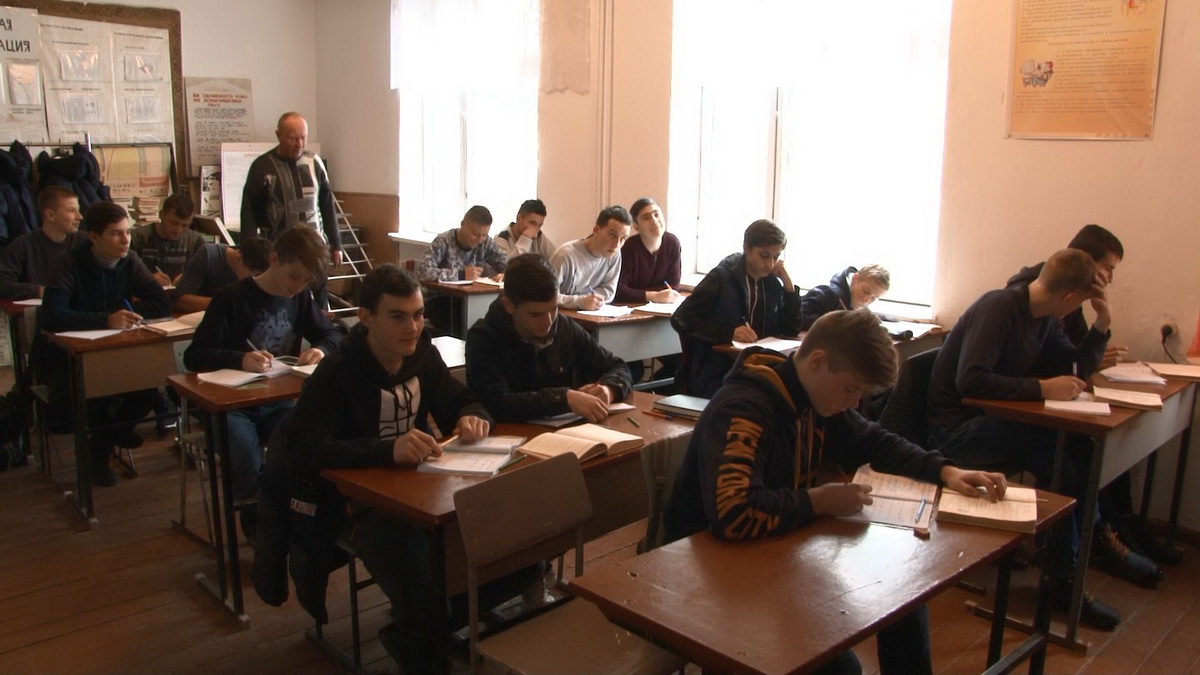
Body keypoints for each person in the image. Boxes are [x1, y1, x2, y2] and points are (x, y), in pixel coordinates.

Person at [663, 309, 1007, 675]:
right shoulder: (744, 409)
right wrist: (819, 501)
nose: (855, 402)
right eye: (851, 388)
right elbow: (733, 513)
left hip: (776, 548)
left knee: (906, 606)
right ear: (818, 361)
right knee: (840, 670)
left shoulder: (813, 395)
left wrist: (946, 470)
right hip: (708, 567)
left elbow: (875, 441)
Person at [272, 264, 543, 674]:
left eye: (418, 315)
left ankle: (421, 629)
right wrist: (387, 450)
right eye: (397, 317)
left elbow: (461, 399)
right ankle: (426, 635)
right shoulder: (337, 372)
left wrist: (471, 416)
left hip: (424, 492)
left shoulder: (422, 355)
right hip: (360, 506)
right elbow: (304, 449)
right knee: (425, 594)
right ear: (366, 317)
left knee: (524, 561)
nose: (412, 327)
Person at [926, 248, 1122, 630]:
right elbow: (971, 381)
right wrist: (1042, 388)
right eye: (1079, 304)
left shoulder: (1045, 319)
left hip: (993, 421)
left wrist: (1102, 325)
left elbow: (1075, 368)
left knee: (1080, 447)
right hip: (955, 430)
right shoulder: (999, 308)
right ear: (1069, 297)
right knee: (1057, 454)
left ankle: (1071, 555)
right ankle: (1063, 577)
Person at [1006, 225, 1175, 578]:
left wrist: (1098, 338)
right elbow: (1053, 364)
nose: (1110, 278)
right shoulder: (1036, 294)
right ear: (1088, 262)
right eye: (1108, 268)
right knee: (1084, 450)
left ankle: (1120, 528)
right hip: (1022, 408)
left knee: (1111, 441)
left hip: (1056, 397)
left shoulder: (1072, 299)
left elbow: (1076, 361)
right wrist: (1087, 356)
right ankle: (1095, 540)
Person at [184, 227, 340, 537]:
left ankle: (295, 514)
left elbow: (333, 333)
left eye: (306, 281)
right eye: (293, 276)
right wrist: (239, 359)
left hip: (277, 402)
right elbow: (195, 356)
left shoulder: (299, 298)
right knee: (245, 457)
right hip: (230, 407)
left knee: (311, 442)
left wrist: (321, 349)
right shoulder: (230, 298)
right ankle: (257, 523)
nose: (297, 286)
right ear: (273, 258)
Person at [34, 201, 171, 486]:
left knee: (147, 388)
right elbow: (52, 316)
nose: (125, 240)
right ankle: (107, 441)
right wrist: (106, 319)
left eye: (128, 232)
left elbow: (160, 303)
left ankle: (100, 445)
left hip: (115, 351)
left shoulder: (130, 260)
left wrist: (127, 314)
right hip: (65, 358)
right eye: (116, 233)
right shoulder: (68, 263)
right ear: (94, 237)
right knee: (88, 399)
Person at [466, 253, 632, 423]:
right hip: (510, 433)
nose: (548, 322)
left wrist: (609, 389)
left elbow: (618, 366)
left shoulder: (564, 325)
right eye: (535, 315)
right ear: (509, 305)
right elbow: (495, 403)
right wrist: (563, 398)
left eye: (554, 309)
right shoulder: (483, 337)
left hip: (567, 432)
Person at [671, 219, 802, 398]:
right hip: (719, 371)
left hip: (759, 367)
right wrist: (729, 333)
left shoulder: (771, 283)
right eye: (764, 255)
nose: (770, 264)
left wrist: (789, 287)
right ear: (747, 248)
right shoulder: (721, 277)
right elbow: (681, 319)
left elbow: (791, 329)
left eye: (776, 257)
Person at [240, 112, 343, 267]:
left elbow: (327, 205)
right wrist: (249, 253)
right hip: (278, 253)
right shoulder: (261, 167)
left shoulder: (315, 163)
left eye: (303, 138)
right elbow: (249, 212)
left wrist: (336, 245)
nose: (299, 144)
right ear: (278, 135)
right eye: (293, 138)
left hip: (315, 252)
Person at [616, 197, 683, 383]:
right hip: (629, 319)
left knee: (680, 363)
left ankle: (656, 392)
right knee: (633, 370)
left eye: (656, 214)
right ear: (636, 226)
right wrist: (654, 295)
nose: (654, 221)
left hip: (659, 319)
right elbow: (620, 290)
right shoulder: (628, 248)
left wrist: (647, 294)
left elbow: (673, 285)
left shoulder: (672, 243)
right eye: (646, 218)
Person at [0, 186, 85, 300]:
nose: (80, 217)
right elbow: (3, 284)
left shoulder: (84, 242)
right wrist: (39, 291)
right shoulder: (23, 245)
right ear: (50, 215)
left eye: (78, 210)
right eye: (71, 210)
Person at [549, 205, 631, 310]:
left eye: (623, 238)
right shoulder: (565, 255)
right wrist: (580, 302)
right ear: (596, 230)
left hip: (591, 314)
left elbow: (609, 293)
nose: (617, 244)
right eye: (612, 235)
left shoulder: (614, 254)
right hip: (561, 314)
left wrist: (590, 301)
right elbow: (546, 295)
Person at [172, 238, 271, 313]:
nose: (256, 280)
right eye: (255, 275)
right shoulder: (208, 255)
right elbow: (179, 301)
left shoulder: (259, 267)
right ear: (238, 258)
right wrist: (226, 302)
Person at [414, 205, 507, 282]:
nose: (479, 240)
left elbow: (509, 266)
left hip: (473, 295)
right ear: (462, 224)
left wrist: (505, 275)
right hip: (440, 295)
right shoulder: (443, 241)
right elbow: (423, 271)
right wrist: (461, 275)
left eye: (484, 235)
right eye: (474, 234)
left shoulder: (486, 243)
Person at [129, 193, 204, 287]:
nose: (178, 230)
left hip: (181, 293)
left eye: (185, 226)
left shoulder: (195, 241)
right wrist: (147, 279)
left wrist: (188, 277)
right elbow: (123, 276)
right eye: (174, 223)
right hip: (147, 292)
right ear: (161, 215)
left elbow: (205, 274)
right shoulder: (138, 238)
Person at [800, 264, 890, 330]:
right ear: (855, 279)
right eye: (866, 291)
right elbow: (799, 319)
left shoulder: (863, 312)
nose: (866, 300)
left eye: (873, 298)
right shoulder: (824, 294)